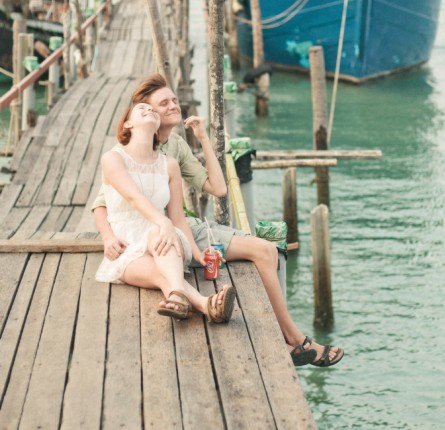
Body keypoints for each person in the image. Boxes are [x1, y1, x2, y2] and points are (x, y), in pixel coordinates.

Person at [92, 74, 343, 367]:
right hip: (149, 234)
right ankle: (285, 342)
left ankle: (293, 337)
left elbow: (218, 189)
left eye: (174, 100)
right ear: (141, 115)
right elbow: (104, 203)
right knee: (168, 247)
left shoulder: (174, 151)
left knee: (266, 251)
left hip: (182, 232)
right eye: (162, 103)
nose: (174, 105)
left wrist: (204, 138)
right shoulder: (122, 155)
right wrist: (109, 237)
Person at [95, 101, 235, 324]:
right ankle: (206, 305)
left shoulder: (169, 164)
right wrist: (164, 223)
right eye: (142, 108)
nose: (149, 110)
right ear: (128, 123)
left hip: (163, 241)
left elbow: (177, 218)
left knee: (158, 234)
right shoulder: (112, 158)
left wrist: (197, 254)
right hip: (126, 246)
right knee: (163, 274)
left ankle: (179, 297)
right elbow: (133, 197)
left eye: (152, 110)